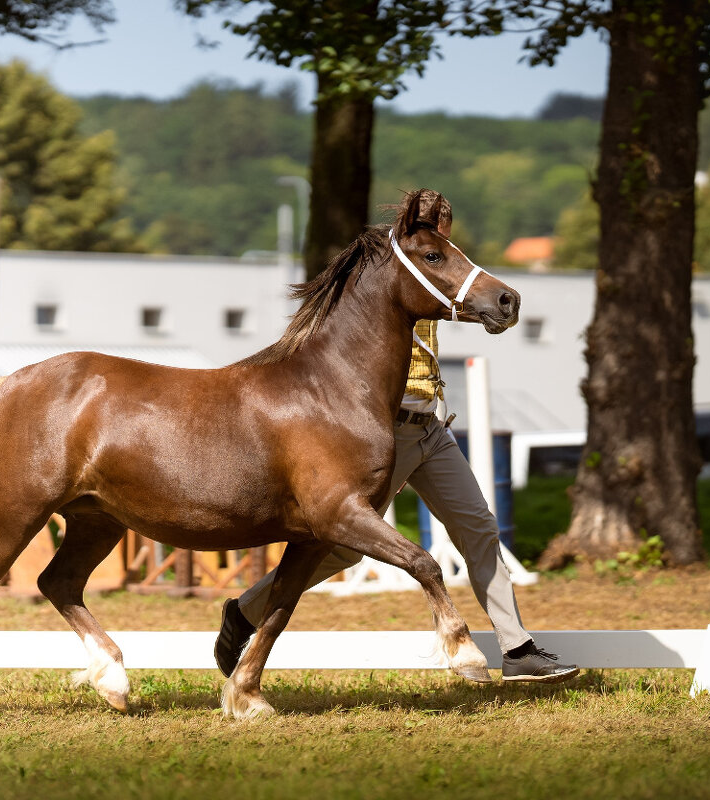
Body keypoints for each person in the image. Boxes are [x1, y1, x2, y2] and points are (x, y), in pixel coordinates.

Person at [215, 196, 578, 684]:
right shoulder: (394, 280)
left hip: (431, 429)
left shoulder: (439, 275)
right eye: (435, 234)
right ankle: (245, 612)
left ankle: (517, 649)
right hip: (388, 432)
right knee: (343, 547)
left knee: (478, 529)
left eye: (444, 236)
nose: (442, 242)